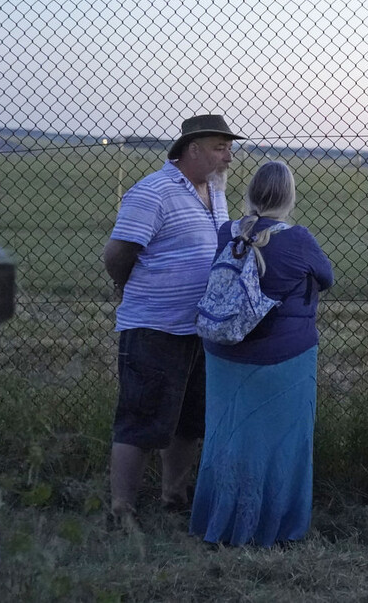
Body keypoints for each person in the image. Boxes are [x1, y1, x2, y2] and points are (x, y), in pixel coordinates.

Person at [103, 114, 243, 528]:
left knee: (189, 420)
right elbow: (116, 256)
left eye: (229, 148)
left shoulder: (215, 193)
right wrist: (134, 287)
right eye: (221, 148)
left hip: (199, 328)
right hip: (154, 327)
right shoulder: (153, 192)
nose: (228, 157)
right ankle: (121, 510)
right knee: (140, 418)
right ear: (192, 149)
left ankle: (174, 497)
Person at [189, 160, 333, 547]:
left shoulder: (228, 233)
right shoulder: (298, 238)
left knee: (226, 439)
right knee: (283, 442)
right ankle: (276, 526)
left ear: (251, 193)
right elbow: (328, 278)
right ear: (289, 197)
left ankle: (222, 519)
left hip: (223, 355)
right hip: (283, 359)